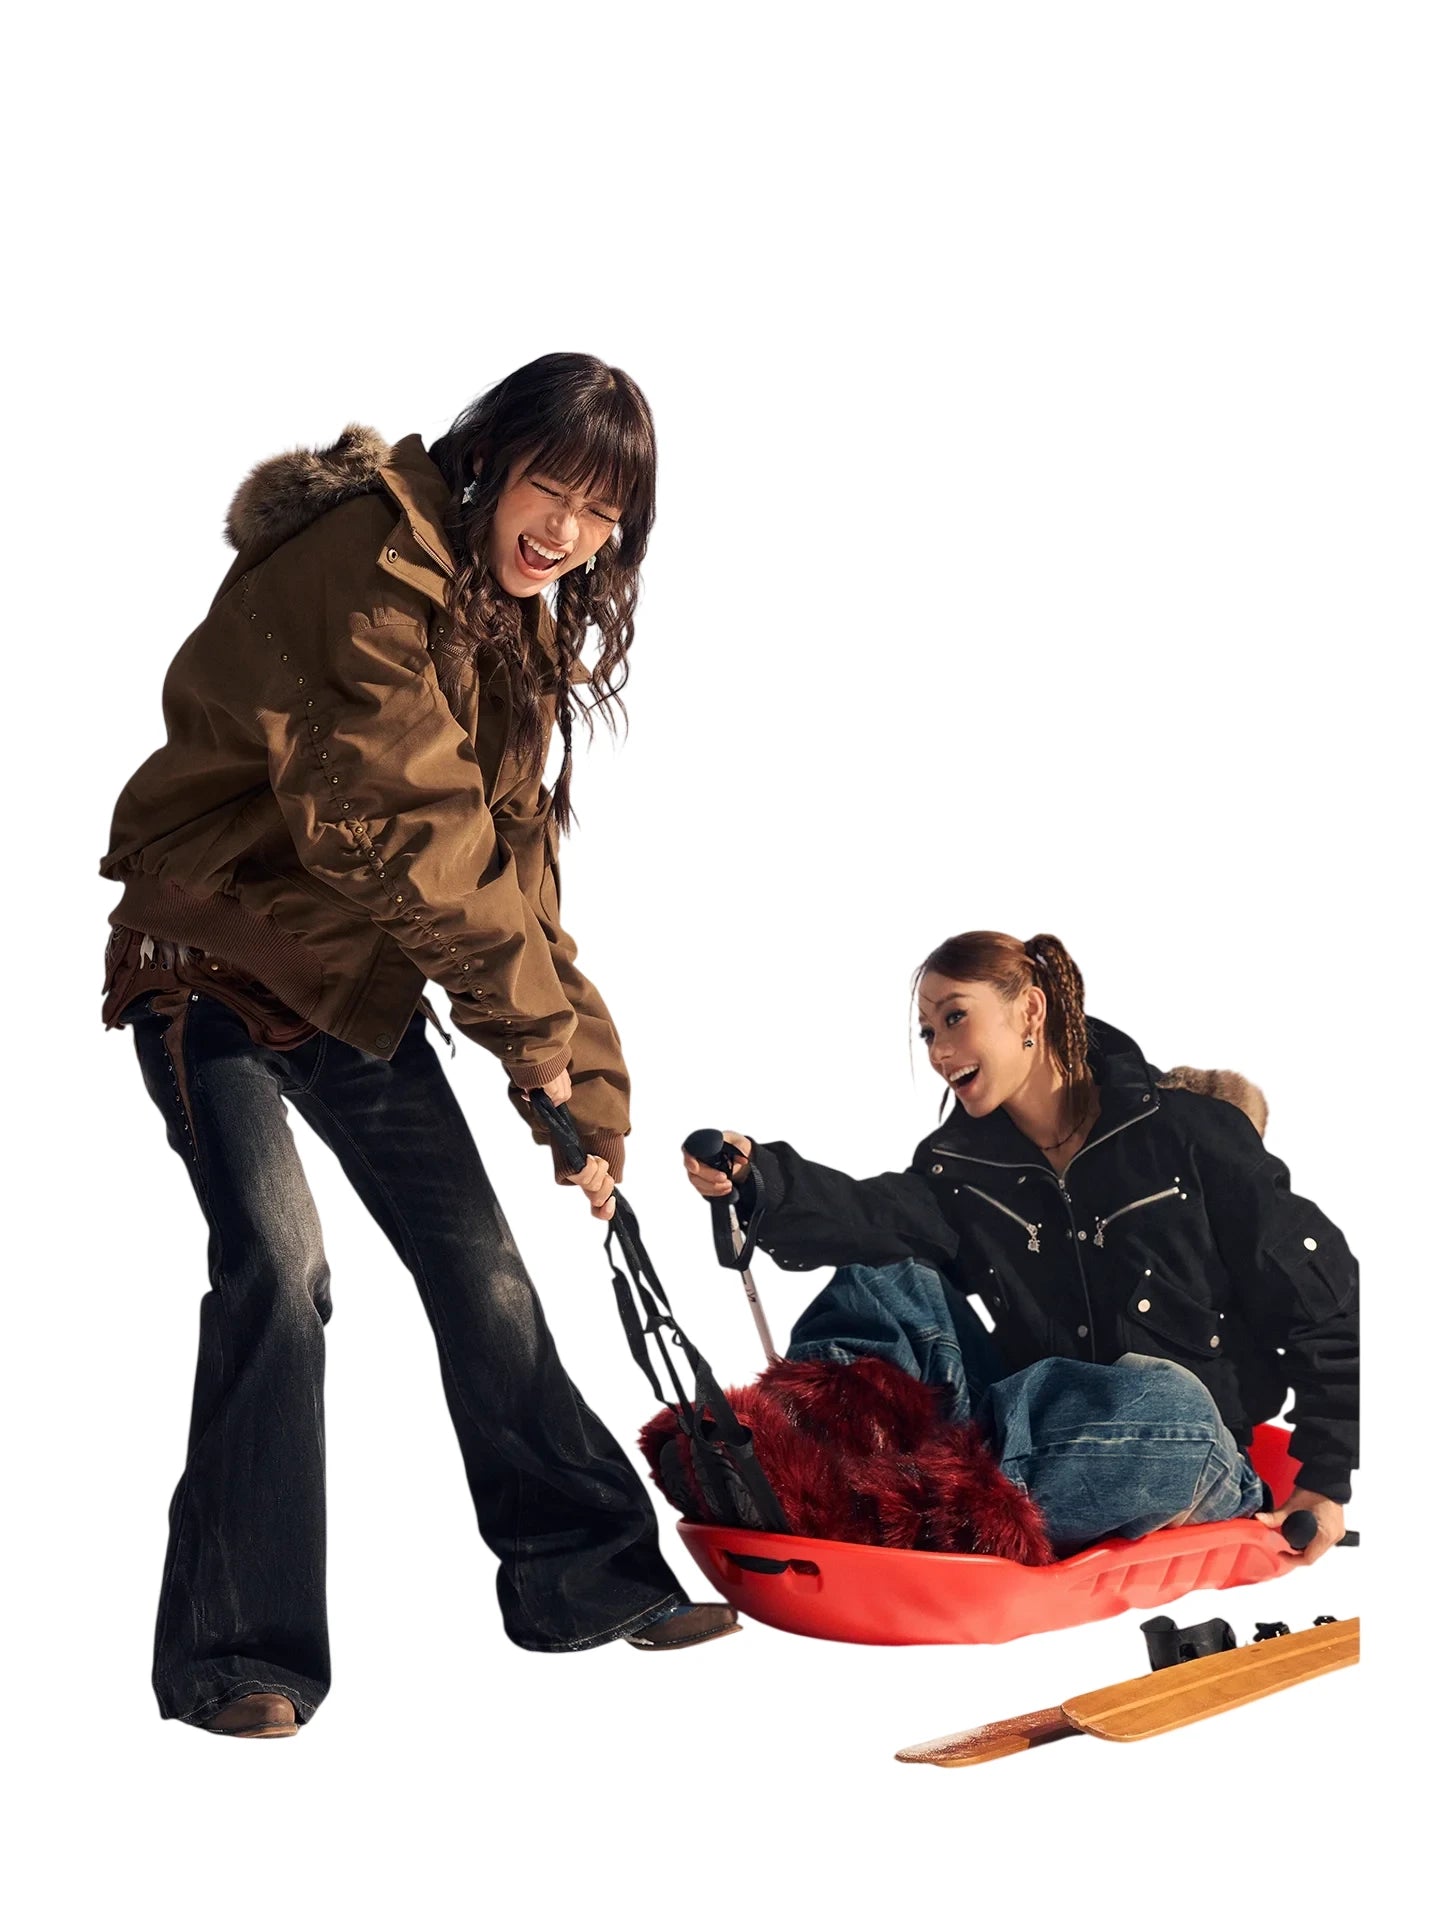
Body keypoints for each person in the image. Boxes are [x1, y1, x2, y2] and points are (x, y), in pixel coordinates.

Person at [100, 354, 738, 1740]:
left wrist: (586, 1095)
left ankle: (582, 1577)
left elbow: (515, 873)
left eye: (602, 514)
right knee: (281, 1269)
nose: (567, 532)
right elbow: (410, 829)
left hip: (350, 981)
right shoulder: (364, 563)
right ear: (491, 458)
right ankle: (237, 1655)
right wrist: (527, 1041)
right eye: (552, 488)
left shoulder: (510, 632)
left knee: (479, 1268)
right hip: (208, 957)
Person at [682, 930, 1358, 1562]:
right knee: (885, 1275)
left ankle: (895, 1508)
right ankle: (798, 1460)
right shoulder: (961, 1166)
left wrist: (1324, 1480)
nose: (938, 1051)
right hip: (1019, 1437)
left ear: (1030, 1011)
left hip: (1178, 1450)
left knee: (1164, 1397)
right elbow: (872, 1216)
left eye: (955, 1018)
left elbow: (1323, 1300)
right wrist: (762, 1178)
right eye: (927, 1031)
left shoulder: (1188, 1135)